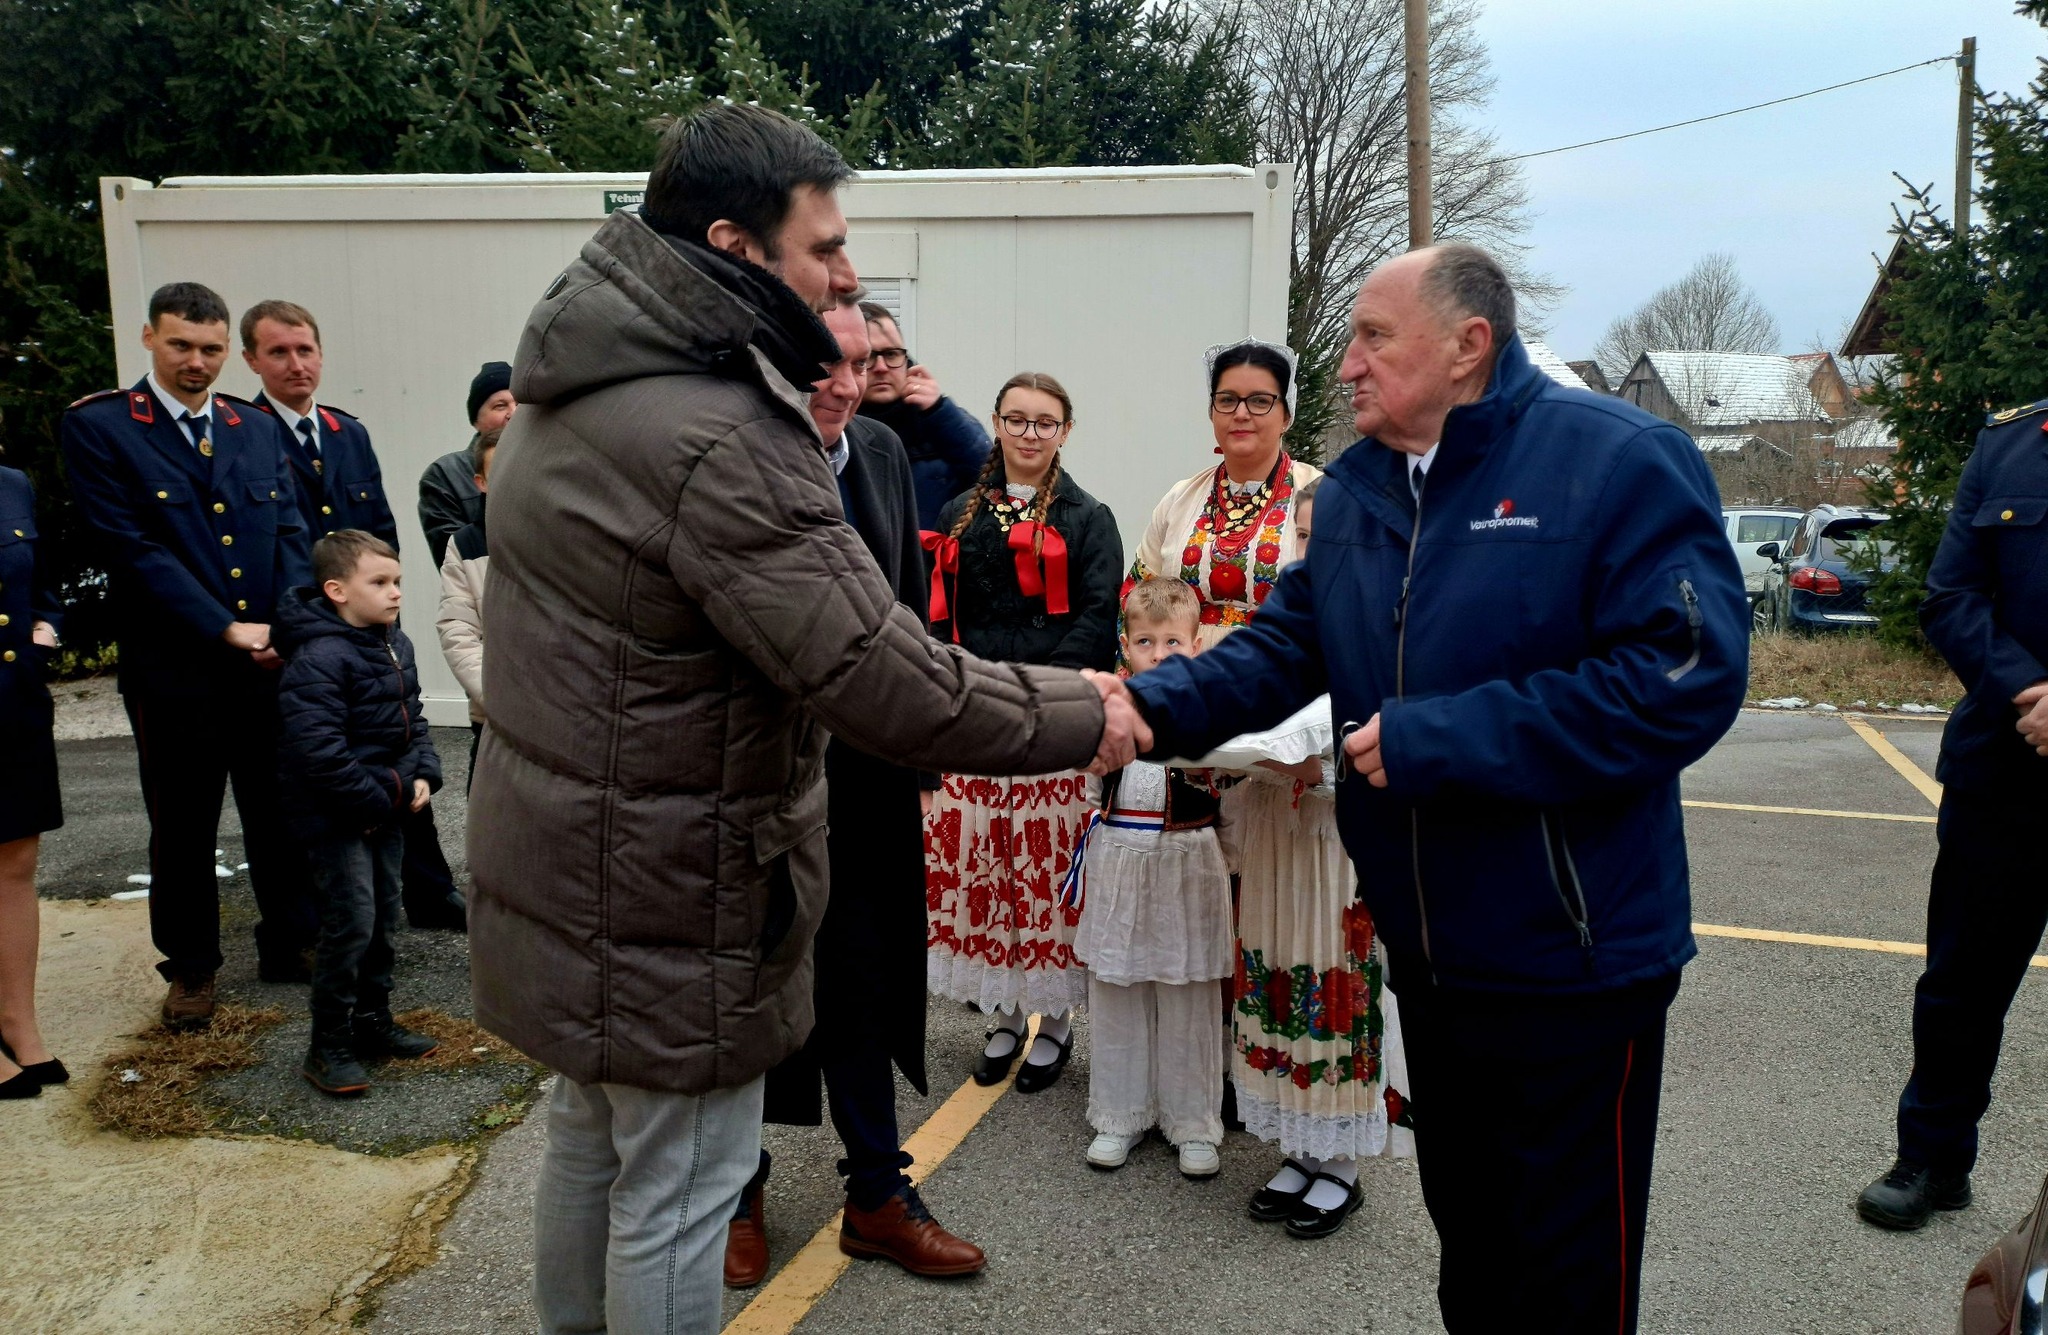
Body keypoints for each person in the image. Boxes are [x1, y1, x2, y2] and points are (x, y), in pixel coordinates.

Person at [469, 104, 1137, 1335]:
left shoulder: (583, 388)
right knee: (681, 1186)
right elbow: (882, 677)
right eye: (823, 248)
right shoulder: (714, 431)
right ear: (733, 245)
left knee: (593, 1141)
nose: (846, 275)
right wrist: (1081, 709)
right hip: (671, 877)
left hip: (576, 861)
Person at [1096, 243, 1748, 1333]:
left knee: (1568, 1271)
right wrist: (1142, 708)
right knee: (1476, 1252)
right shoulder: (1357, 489)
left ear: (1465, 345)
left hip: (1573, 961)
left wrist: (1443, 739)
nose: (1342, 363)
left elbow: (1683, 675)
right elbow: (1282, 645)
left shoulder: (1615, 459)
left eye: (1370, 337)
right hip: (1431, 957)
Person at [731, 294, 984, 1290]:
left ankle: (875, 1194)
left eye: (865, 361)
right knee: (759, 986)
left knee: (865, 983)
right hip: (763, 779)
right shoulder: (740, 462)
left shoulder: (878, 452)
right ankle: (737, 1191)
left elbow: (905, 623)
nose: (842, 382)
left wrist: (921, 753)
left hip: (868, 776)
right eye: (822, 366)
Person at [62, 281, 319, 1029]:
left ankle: (290, 939)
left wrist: (289, 625)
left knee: (278, 808)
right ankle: (193, 969)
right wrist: (224, 626)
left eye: (210, 350)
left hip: (266, 658)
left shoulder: (253, 426)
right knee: (183, 821)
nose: (196, 363)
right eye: (181, 345)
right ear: (148, 338)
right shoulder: (104, 427)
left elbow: (293, 537)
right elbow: (133, 548)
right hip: (177, 665)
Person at [1203, 475, 1413, 1240]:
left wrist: (1319, 769)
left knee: (1335, 981)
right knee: (1277, 968)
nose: (1314, 548)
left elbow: (1403, 736)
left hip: (1338, 838)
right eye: (1303, 535)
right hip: (1274, 831)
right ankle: (1297, 1143)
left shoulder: (1392, 619)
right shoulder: (1283, 617)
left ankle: (1344, 1160)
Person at [1856, 396, 2048, 1231]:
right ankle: (1933, 1159)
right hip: (2005, 766)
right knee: (1960, 985)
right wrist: (2028, 692)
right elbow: (1951, 596)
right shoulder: (2008, 447)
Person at [924, 371, 1123, 1093]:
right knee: (989, 874)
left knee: (1043, 879)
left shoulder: (1088, 517)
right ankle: (1003, 1015)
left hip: (1052, 723)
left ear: (1065, 431)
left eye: (1045, 422)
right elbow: (940, 618)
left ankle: (1057, 1022)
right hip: (977, 722)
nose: (1030, 433)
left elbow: (1098, 618)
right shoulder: (957, 513)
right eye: (1017, 420)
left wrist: (1041, 700)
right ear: (998, 425)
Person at [243, 299, 467, 932]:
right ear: (252, 359)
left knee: (396, 748)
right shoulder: (245, 433)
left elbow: (377, 533)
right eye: (278, 352)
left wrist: (380, 609)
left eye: (305, 349)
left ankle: (428, 892)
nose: (295, 364)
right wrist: (293, 627)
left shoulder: (348, 434)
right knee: (316, 776)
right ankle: (308, 922)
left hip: (367, 632)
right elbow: (264, 545)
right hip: (303, 638)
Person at [273, 530, 443, 1095]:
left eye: (397, 582)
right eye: (380, 583)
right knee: (350, 925)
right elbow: (318, 752)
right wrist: (383, 798)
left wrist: (422, 774)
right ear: (337, 590)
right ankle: (329, 1046)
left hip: (386, 805)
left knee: (383, 919)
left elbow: (412, 722)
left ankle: (373, 1024)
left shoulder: (395, 644)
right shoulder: (318, 657)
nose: (395, 594)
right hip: (337, 816)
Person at [1072, 576, 1232, 1179]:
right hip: (1119, 855)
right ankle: (1119, 1113)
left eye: (1172, 642)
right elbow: (1089, 785)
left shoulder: (1211, 715)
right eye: (1145, 642)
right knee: (1118, 987)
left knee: (1187, 992)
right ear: (1125, 647)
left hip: (1187, 860)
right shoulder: (1114, 714)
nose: (1159, 655)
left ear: (1195, 645)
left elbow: (1231, 804)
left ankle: (1192, 1122)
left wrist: (1225, 861)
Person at [1125, 338, 1321, 649]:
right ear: (1212, 411)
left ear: (1286, 415)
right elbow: (1135, 601)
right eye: (1227, 400)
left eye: (1259, 401)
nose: (1241, 413)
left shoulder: (1319, 496)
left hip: (1283, 684)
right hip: (1184, 684)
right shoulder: (1181, 499)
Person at [0, 461, 66, 1098]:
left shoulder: (12, 484)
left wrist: (45, 633)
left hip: (12, 697)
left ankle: (18, 1021)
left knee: (17, 860)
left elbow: (41, 584)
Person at [855, 303, 991, 529]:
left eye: (891, 354)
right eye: (868, 357)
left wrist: (939, 411)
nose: (881, 367)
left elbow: (994, 476)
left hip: (934, 561)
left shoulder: (942, 418)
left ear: (906, 360)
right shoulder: (833, 425)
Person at [436, 428, 496, 786]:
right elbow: (457, 630)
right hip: (492, 714)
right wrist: (493, 694)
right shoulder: (465, 543)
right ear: (480, 481)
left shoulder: (559, 531)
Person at [418, 363, 513, 568]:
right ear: (475, 421)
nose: (513, 413)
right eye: (500, 406)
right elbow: (453, 561)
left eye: (520, 403)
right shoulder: (444, 475)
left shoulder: (547, 465)